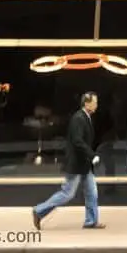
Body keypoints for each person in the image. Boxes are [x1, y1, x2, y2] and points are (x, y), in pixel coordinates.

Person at [32, 92, 104, 230]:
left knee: (92, 192)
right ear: (86, 103)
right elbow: (77, 141)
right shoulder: (78, 118)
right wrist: (91, 154)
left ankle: (91, 221)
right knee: (67, 193)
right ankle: (39, 210)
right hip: (76, 164)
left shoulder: (87, 117)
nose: (96, 105)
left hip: (84, 165)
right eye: (94, 102)